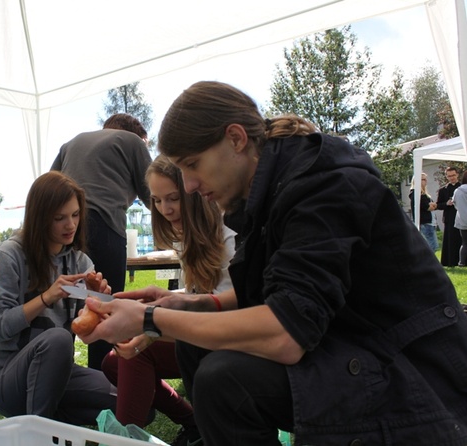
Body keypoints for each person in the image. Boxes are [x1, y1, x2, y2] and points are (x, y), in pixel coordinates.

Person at [78, 81, 467, 446]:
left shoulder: (322, 185)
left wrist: (150, 320)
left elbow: (287, 333)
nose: (190, 185)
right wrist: (184, 303)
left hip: (412, 370)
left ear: (236, 139)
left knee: (224, 380)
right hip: (352, 346)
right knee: (196, 348)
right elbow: (279, 295)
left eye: (193, 165)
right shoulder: (272, 191)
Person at [101, 155, 236, 446]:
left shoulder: (227, 233)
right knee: (113, 361)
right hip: (204, 334)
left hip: (232, 336)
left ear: (194, 192)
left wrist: (154, 324)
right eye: (158, 201)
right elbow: (197, 296)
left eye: (173, 198)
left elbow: (229, 305)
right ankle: (193, 421)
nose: (166, 209)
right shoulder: (187, 235)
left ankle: (124, 442)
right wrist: (166, 300)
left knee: (137, 350)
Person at [0, 171, 117, 425]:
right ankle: (38, 433)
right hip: (5, 377)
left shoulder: (80, 262)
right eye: (59, 218)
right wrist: (46, 297)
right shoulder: (9, 256)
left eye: (75, 215)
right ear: (39, 218)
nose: (71, 225)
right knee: (58, 338)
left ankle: (53, 421)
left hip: (56, 376)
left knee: (129, 399)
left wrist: (100, 301)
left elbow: (90, 332)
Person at [51, 113, 152, 370]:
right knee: (108, 306)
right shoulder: (133, 141)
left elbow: (49, 186)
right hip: (104, 224)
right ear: (139, 136)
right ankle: (106, 383)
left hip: (63, 226)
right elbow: (153, 192)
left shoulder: (71, 142)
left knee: (66, 302)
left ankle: (60, 377)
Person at [437, 166, 462, 266]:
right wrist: (446, 204)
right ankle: (450, 261)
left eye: (453, 175)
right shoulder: (443, 190)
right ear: (446, 176)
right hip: (449, 217)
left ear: (457, 175)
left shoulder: (463, 187)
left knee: (462, 239)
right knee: (451, 241)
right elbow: (438, 205)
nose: (452, 178)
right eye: (449, 176)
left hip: (462, 216)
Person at [409, 172, 438, 251]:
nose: (425, 181)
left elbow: (433, 206)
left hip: (428, 222)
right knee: (432, 246)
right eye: (423, 179)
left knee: (432, 246)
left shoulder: (423, 193)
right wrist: (431, 205)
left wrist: (432, 205)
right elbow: (428, 207)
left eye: (426, 179)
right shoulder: (416, 193)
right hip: (424, 223)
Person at [452, 171, 467, 266]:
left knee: (465, 242)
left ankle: (462, 262)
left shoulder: (457, 191)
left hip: (462, 220)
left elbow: (455, 204)